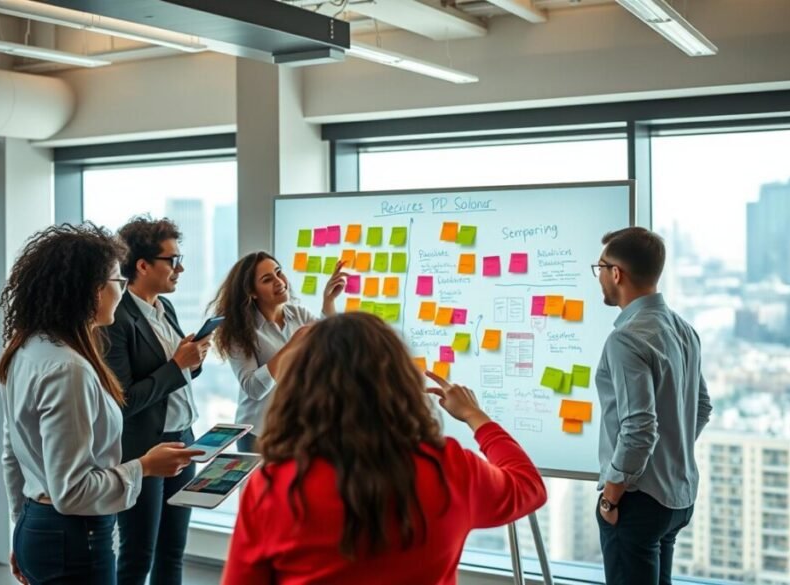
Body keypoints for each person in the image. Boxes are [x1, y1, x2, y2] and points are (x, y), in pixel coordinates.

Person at [221, 312, 547, 585]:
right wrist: (476, 416)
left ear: (302, 387)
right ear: (399, 379)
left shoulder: (273, 487)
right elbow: (528, 486)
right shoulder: (451, 467)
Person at [0, 223, 202, 585]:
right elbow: (73, 492)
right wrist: (145, 467)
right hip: (75, 535)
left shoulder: (27, 349)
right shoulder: (69, 370)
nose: (122, 292)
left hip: (39, 522)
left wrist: (23, 528)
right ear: (91, 291)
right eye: (116, 282)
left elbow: (13, 452)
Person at [591, 227, 713, 585]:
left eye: (599, 267)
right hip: (677, 497)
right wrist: (670, 454)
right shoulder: (683, 329)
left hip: (637, 500)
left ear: (616, 273)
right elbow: (701, 406)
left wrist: (612, 497)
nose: (598, 277)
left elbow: (639, 427)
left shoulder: (626, 338)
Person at [102, 216, 211, 585]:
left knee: (172, 551)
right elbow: (123, 400)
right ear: (143, 265)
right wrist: (177, 365)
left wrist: (191, 361)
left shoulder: (167, 308)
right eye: (172, 260)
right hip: (143, 449)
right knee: (137, 556)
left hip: (184, 438)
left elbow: (180, 376)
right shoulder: (115, 318)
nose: (180, 269)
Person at [208, 251, 347, 452]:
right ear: (252, 292)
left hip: (299, 428)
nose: (279, 281)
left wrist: (328, 301)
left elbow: (333, 349)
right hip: (259, 433)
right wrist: (291, 346)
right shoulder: (237, 330)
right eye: (267, 279)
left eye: (278, 272)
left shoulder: (299, 314)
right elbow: (253, 388)